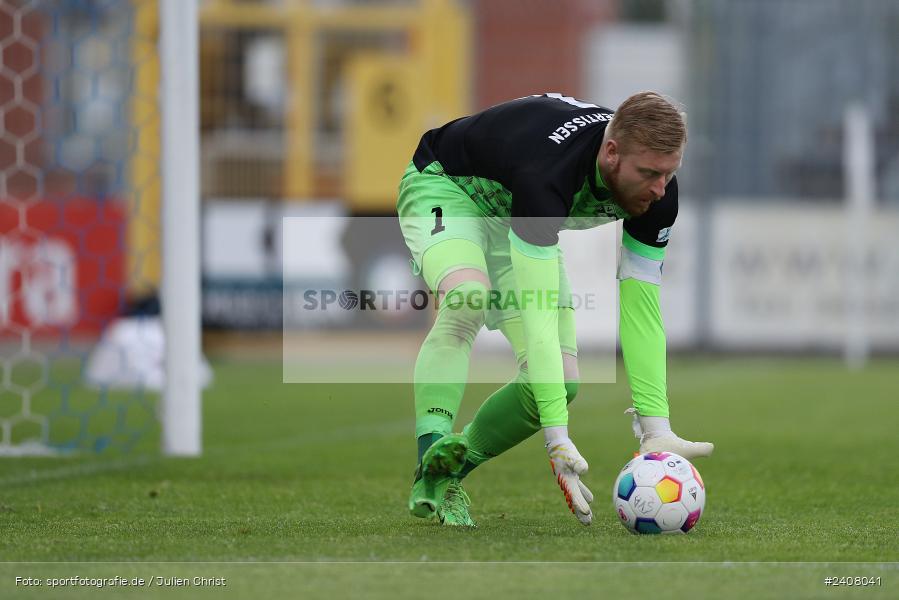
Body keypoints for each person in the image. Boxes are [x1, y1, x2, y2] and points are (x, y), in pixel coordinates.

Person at [396, 91, 713, 528]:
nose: (659, 189)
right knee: (468, 297)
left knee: (561, 383)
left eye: (668, 173)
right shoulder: (548, 171)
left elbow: (642, 306)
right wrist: (556, 438)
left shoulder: (659, 192)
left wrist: (656, 427)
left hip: (514, 213)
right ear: (611, 152)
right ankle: (430, 446)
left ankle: (443, 473)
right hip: (447, 185)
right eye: (648, 174)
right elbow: (538, 313)